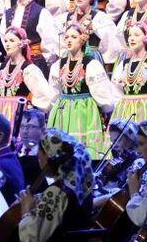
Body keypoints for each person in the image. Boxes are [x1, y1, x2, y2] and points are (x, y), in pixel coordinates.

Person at [48, 23, 118, 157]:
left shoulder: (91, 63)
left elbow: (102, 93)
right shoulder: (58, 65)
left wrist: (105, 108)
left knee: (83, 149)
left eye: (73, 37)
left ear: (82, 40)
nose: (69, 40)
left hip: (85, 111)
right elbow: (54, 92)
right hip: (62, 111)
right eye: (67, 37)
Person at [0, 27, 55, 125]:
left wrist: (29, 106)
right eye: (5, 41)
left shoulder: (28, 69)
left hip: (18, 115)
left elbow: (44, 95)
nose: (7, 44)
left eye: (11, 41)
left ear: (21, 44)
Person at [0, 0, 60, 70]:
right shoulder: (7, 14)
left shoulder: (41, 12)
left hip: (35, 63)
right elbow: (4, 39)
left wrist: (43, 63)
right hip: (13, 64)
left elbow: (50, 43)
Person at [58, 0, 123, 65]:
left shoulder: (100, 18)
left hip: (91, 60)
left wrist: (105, 62)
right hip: (70, 58)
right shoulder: (65, 18)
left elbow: (110, 44)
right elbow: (58, 42)